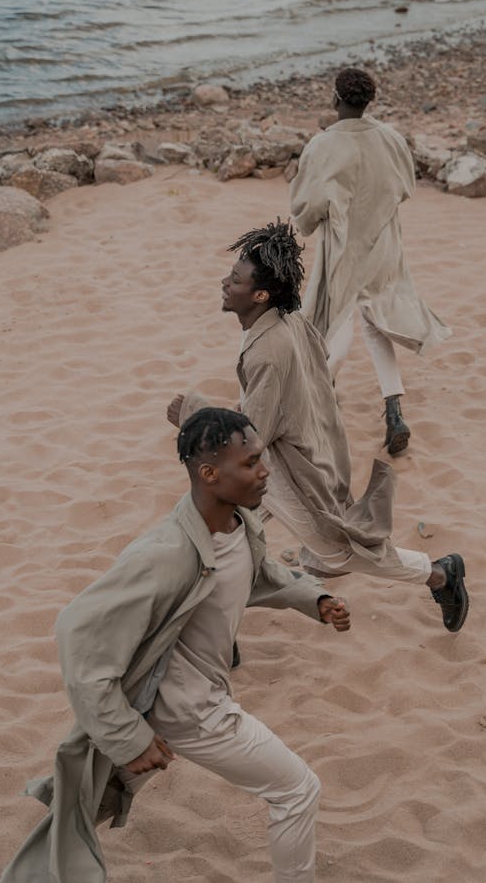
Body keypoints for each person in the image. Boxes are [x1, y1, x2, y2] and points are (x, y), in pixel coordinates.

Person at [0, 407, 374, 883]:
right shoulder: (166, 554)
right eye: (251, 462)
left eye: (262, 460)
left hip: (171, 697)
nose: (264, 472)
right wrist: (129, 737)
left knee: (93, 806)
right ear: (209, 474)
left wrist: (314, 600)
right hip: (190, 711)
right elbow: (77, 638)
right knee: (297, 790)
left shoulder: (236, 522)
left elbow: (258, 574)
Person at [168, 220, 468, 634]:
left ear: (260, 294)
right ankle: (216, 630)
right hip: (299, 455)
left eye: (235, 280)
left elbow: (251, 436)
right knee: (215, 536)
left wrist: (193, 412)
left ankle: (439, 574)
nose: (225, 283)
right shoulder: (287, 321)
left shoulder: (268, 349)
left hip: (290, 475)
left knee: (337, 553)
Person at [289, 66, 451, 456]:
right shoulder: (391, 138)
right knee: (374, 322)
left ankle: (317, 398)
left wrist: (313, 222)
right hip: (382, 242)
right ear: (368, 102)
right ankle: (394, 409)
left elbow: (307, 208)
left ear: (335, 99)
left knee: (338, 319)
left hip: (344, 245)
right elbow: (406, 187)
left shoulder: (322, 146)